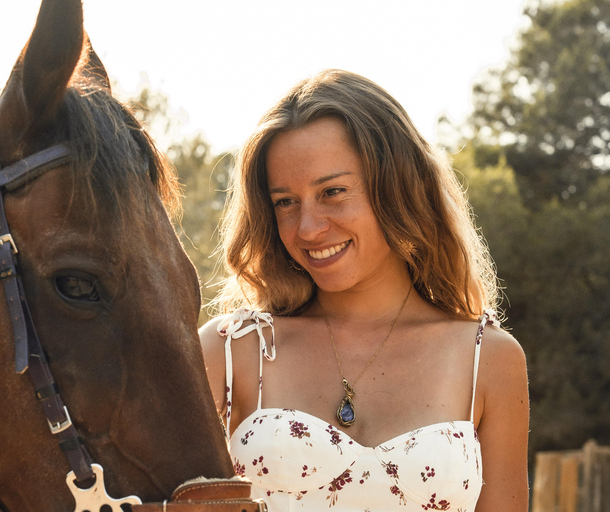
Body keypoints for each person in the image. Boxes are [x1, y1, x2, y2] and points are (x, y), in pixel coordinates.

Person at [200, 69, 529, 511]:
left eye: (333, 192)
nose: (308, 228)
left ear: (397, 187)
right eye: (285, 202)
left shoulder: (486, 359)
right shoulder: (231, 352)